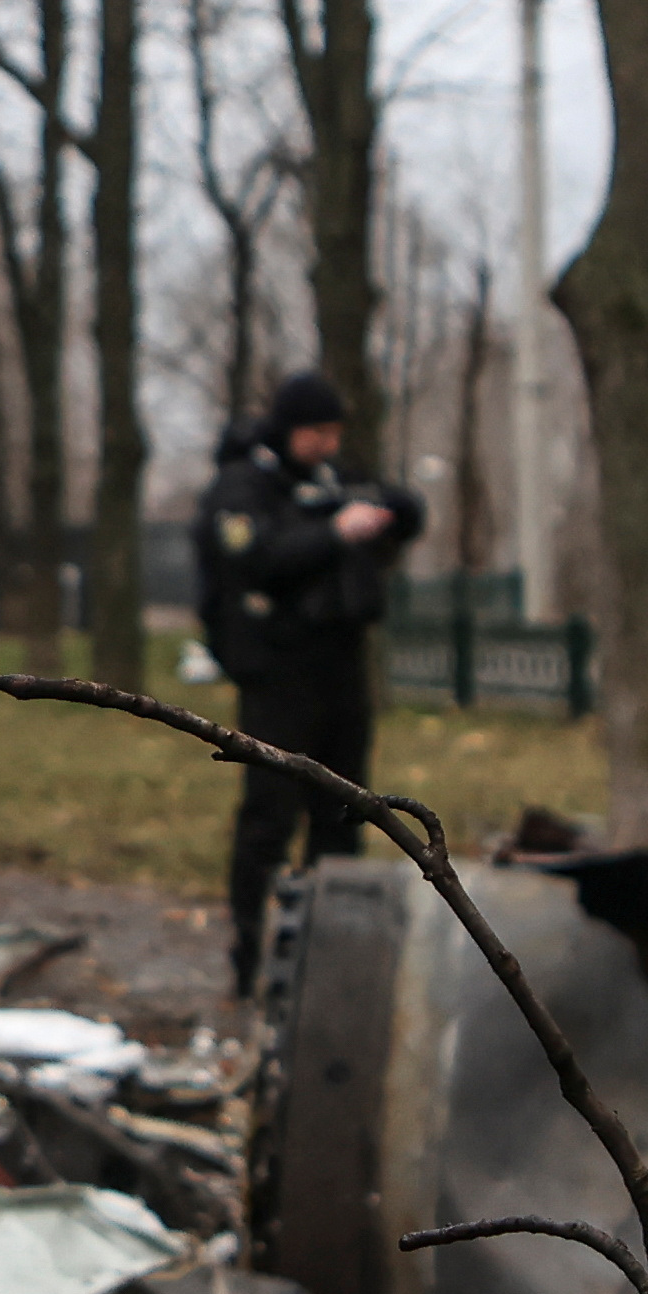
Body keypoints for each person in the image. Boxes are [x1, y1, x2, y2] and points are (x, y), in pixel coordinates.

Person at [197, 369, 426, 996]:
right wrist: (334, 532)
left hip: (340, 664)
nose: (328, 445)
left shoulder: (331, 481)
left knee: (344, 808)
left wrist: (387, 511)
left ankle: (329, 955)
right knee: (269, 814)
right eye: (317, 432)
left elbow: (404, 512)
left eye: (335, 433)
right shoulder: (246, 486)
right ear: (291, 427)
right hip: (276, 671)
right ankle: (249, 950)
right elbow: (254, 557)